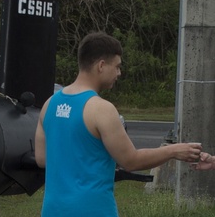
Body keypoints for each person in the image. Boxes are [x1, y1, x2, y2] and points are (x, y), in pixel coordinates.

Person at [35, 31, 203, 217]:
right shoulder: (101, 109)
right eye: (117, 67)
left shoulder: (49, 104)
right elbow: (130, 160)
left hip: (53, 210)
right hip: (93, 210)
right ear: (101, 65)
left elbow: (42, 159)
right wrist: (173, 151)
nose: (119, 73)